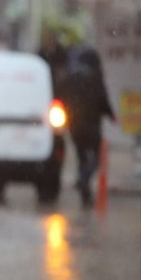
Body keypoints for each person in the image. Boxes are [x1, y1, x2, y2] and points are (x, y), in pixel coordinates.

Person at [59, 46, 116, 207]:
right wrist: (111, 115)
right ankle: (84, 179)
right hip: (91, 124)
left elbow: (60, 96)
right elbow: (102, 99)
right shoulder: (95, 78)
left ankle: (86, 193)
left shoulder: (70, 78)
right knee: (96, 158)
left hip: (75, 125)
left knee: (82, 157)